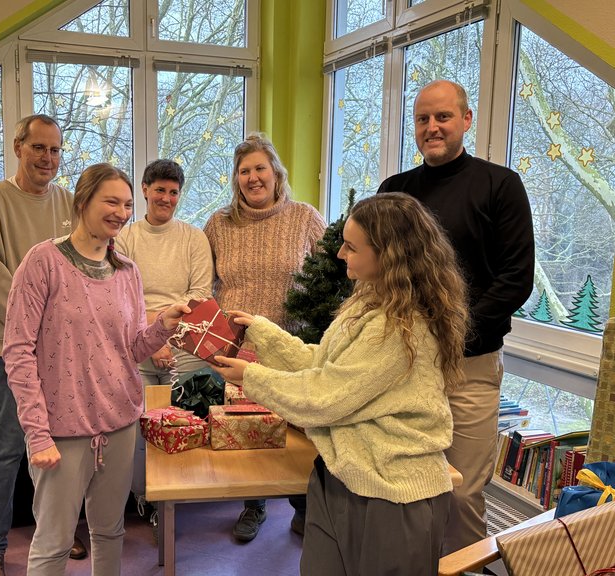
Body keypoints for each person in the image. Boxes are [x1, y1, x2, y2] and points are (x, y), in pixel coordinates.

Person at [212, 193, 469, 575]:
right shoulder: (370, 300)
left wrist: (251, 377)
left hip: (390, 495)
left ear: (388, 254)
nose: (339, 254)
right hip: (343, 477)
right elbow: (326, 366)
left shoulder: (401, 327)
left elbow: (325, 396)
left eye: (351, 246)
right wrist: (263, 333)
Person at [2, 163, 189, 576]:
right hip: (62, 429)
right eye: (111, 201)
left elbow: (133, 347)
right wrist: (37, 434)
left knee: (109, 531)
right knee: (53, 543)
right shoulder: (43, 262)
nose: (121, 212)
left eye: (126, 204)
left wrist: (163, 327)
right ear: (83, 201)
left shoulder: (127, 271)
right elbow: (17, 353)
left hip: (120, 423)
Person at [377, 79, 535, 554]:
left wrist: (451, 338)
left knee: (462, 489)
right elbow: (375, 273)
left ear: (466, 120)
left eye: (443, 117)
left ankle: (462, 567)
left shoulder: (499, 186)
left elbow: (515, 279)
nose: (432, 127)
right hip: (401, 365)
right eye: (423, 119)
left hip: (470, 367)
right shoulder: (395, 191)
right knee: (405, 485)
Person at [0, 114, 87, 576]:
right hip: (13, 349)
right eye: (39, 148)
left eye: (55, 150)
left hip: (64, 349)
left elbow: (80, 270)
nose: (47, 158)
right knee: (8, 446)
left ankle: (58, 533)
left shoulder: (68, 203)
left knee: (62, 445)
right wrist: (37, 333)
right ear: (18, 147)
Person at [203, 133, 326, 542]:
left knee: (298, 434)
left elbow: (332, 278)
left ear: (276, 173)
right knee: (249, 435)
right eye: (244, 171)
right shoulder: (219, 224)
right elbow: (206, 286)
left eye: (260, 168)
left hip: (293, 347)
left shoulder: (305, 218)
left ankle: (304, 507)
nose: (253, 178)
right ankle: (253, 506)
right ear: (236, 179)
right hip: (239, 352)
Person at [114, 159, 213, 513]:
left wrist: (166, 338)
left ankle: (175, 499)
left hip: (184, 347)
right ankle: (143, 499)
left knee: (179, 425)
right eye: (160, 190)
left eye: (173, 192)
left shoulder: (193, 238)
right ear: (144, 189)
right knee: (136, 429)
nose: (166, 198)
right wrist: (153, 337)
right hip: (135, 346)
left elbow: (199, 296)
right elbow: (122, 297)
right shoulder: (125, 237)